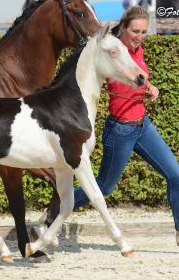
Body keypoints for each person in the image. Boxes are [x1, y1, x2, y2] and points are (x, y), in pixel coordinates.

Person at [73, 6, 179, 243]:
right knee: (104, 186)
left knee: (176, 175)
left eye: (143, 32)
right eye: (135, 32)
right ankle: (59, 206)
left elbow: (140, 78)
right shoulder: (109, 52)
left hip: (143, 126)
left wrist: (150, 88)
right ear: (123, 28)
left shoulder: (137, 49)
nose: (139, 38)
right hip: (120, 130)